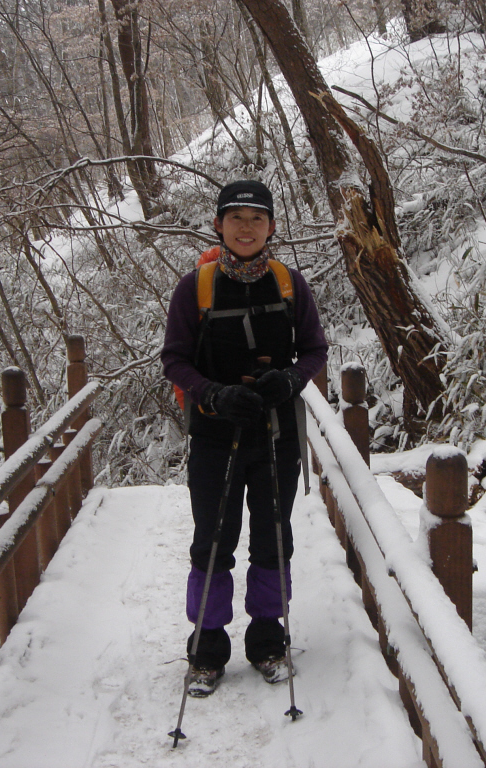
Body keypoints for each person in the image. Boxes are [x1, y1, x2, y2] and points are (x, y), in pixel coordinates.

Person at [161, 180, 328, 697]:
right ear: (218, 224)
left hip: (275, 437)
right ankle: (207, 651)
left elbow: (315, 351)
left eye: (258, 219)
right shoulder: (196, 288)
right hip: (215, 438)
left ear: (272, 227)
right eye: (237, 218)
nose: (247, 227)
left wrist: (291, 380)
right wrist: (213, 393)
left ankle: (268, 641)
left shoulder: (289, 285)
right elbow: (174, 359)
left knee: (273, 538)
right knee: (213, 540)